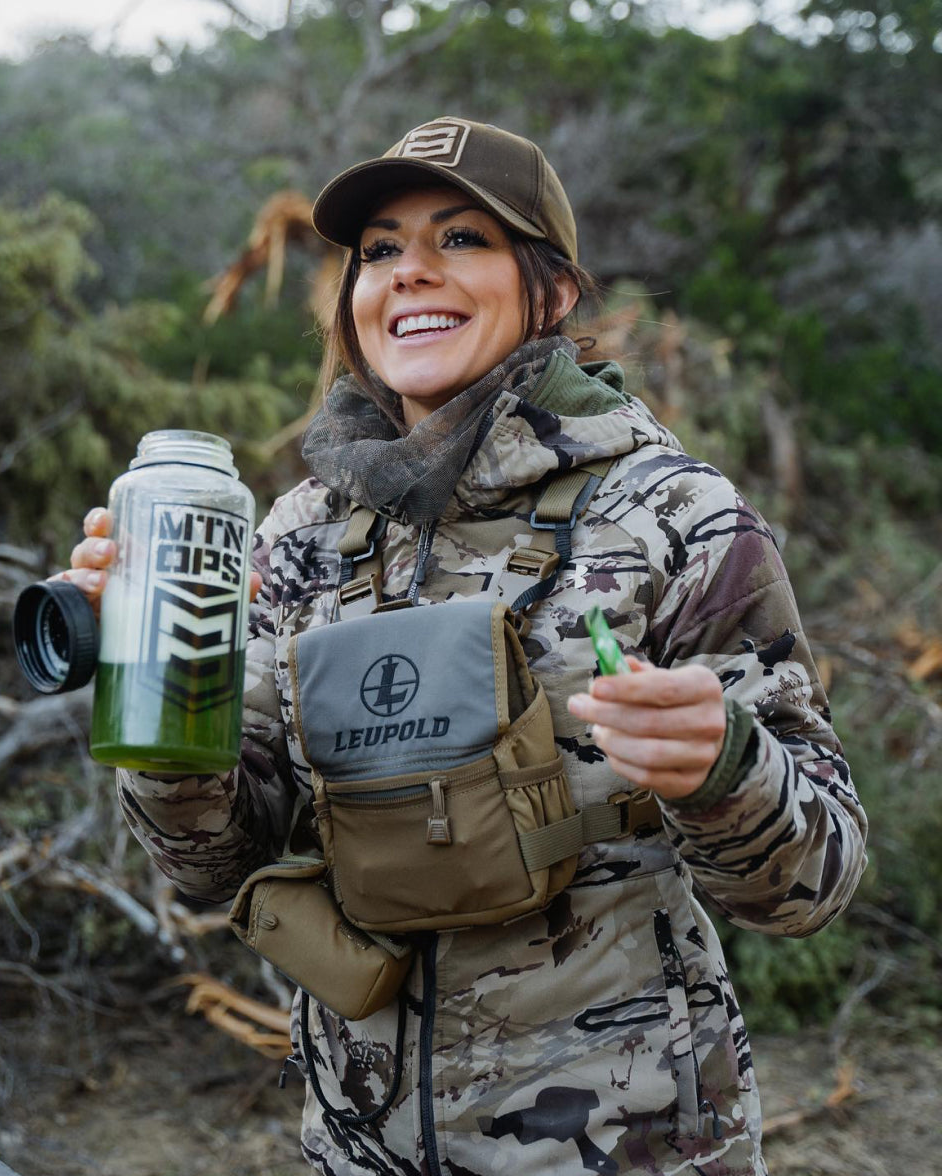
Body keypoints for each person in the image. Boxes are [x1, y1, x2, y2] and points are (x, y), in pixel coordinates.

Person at [59, 118, 867, 1175]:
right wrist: (161, 673)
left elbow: (817, 882)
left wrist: (724, 768)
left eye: (463, 239)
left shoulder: (678, 514)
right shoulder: (300, 530)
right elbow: (211, 862)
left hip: (627, 1144)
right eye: (381, 250)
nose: (410, 274)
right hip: (361, 1143)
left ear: (554, 291)